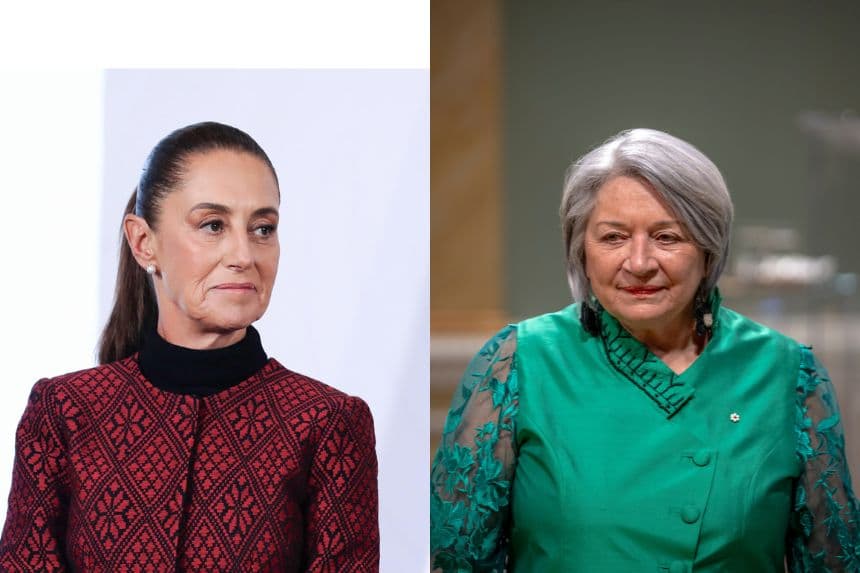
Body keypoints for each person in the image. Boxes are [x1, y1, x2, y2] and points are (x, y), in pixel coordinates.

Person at [430, 128, 860, 572]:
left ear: (709, 250)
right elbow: (458, 561)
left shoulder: (787, 374)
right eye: (613, 237)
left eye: (667, 237)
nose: (638, 263)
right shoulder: (519, 362)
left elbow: (833, 563)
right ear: (581, 250)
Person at [0, 122, 379, 572]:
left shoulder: (325, 422)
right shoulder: (65, 411)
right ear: (144, 242)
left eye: (262, 228)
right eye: (213, 225)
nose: (244, 254)